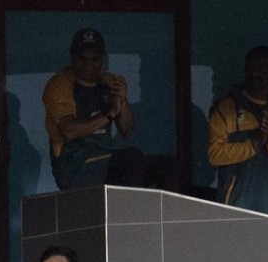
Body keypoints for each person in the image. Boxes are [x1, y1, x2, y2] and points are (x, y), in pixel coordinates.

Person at [42, 28, 174, 191]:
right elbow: (69, 132)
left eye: (94, 59)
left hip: (105, 160)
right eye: (81, 58)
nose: (88, 65)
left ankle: (157, 215)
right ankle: (128, 216)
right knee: (131, 159)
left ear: (102, 59)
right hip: (75, 166)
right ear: (72, 57)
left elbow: (127, 131)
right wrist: (109, 114)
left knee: (168, 166)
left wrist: (122, 102)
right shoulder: (59, 84)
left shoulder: (109, 81)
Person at [208, 46, 268, 219]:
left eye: (261, 66)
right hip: (235, 211)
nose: (254, 71)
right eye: (250, 66)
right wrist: (253, 144)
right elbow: (214, 155)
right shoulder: (225, 108)